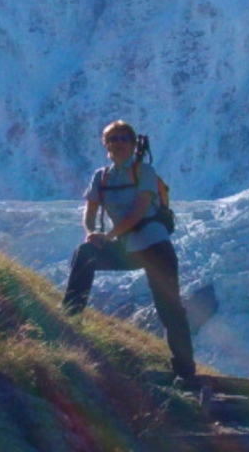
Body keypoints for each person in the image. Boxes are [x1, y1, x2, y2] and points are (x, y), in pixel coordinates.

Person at [61, 120, 196, 381]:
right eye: (114, 139)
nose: (119, 143)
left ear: (134, 145)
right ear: (106, 146)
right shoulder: (101, 177)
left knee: (169, 308)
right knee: (84, 253)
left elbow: (139, 211)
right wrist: (91, 233)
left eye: (125, 138)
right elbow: (89, 212)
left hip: (155, 246)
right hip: (129, 245)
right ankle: (68, 323)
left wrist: (109, 235)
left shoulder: (144, 171)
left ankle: (185, 371)